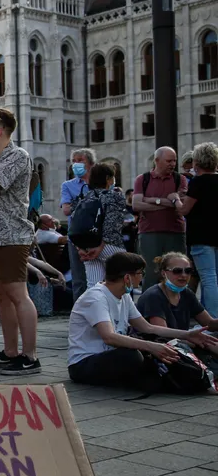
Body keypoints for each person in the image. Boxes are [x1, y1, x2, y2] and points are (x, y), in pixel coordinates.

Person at [67, 252, 218, 388]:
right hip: (84, 363)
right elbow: (109, 337)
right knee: (133, 355)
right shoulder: (96, 297)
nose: (142, 277)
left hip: (111, 356)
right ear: (127, 277)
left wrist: (187, 335)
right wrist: (150, 347)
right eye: (140, 273)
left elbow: (147, 327)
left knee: (157, 354)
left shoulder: (124, 296)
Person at [0, 108, 40, 376]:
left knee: (17, 294)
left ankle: (30, 356)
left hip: (11, 235)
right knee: (0, 295)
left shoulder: (18, 156)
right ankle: (10, 352)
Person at [132, 147, 189, 290]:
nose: (173, 164)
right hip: (149, 232)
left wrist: (149, 200)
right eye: (169, 160)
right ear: (157, 161)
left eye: (174, 160)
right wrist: (165, 202)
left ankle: (176, 307)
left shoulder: (180, 179)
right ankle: (150, 308)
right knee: (152, 272)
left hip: (175, 232)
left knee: (177, 272)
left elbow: (181, 205)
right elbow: (137, 204)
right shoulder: (142, 179)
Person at [178, 142, 218, 316]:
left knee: (208, 279)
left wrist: (175, 199)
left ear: (197, 162)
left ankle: (213, 320)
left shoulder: (198, 182)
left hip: (201, 236)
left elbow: (184, 209)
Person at [76, 163, 128, 287]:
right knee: (122, 283)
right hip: (109, 245)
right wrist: (100, 247)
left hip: (86, 247)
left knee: (94, 286)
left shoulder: (83, 197)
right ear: (107, 179)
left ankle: (96, 307)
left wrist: (81, 248)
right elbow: (112, 224)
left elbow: (76, 224)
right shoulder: (114, 196)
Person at [138, 253, 218, 333]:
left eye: (188, 271)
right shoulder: (154, 296)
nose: (184, 275)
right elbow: (163, 333)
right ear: (163, 273)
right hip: (159, 342)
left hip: (179, 340)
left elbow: (209, 324)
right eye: (177, 271)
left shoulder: (186, 293)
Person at [60, 148, 95, 299]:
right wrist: (90, 201)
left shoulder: (100, 183)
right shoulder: (68, 185)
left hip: (97, 235)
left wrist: (78, 202)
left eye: (80, 160)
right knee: (79, 278)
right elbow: (66, 210)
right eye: (74, 161)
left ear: (91, 164)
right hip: (76, 237)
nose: (76, 164)